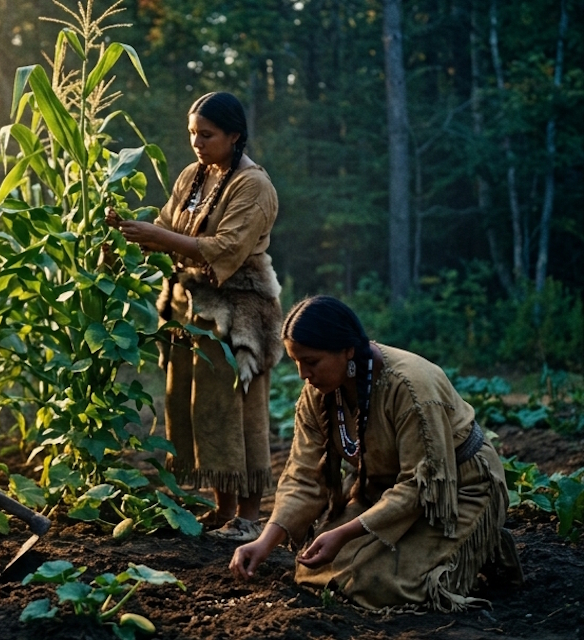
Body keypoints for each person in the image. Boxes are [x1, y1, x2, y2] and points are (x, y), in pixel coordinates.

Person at [230, 296, 523, 612]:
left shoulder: (411, 386)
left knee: (382, 586)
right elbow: (303, 476)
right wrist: (265, 542)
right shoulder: (319, 393)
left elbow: (419, 485)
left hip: (452, 491)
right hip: (380, 491)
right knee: (316, 572)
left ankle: (483, 541)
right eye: (296, 361)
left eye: (311, 362)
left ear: (347, 351)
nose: (303, 374)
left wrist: (343, 533)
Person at [107, 92, 283, 541]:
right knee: (201, 408)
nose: (197, 143)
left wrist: (157, 236)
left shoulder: (253, 186)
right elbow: (167, 227)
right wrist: (128, 231)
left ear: (234, 135)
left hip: (237, 311)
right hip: (191, 308)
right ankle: (223, 510)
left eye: (207, 135)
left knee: (239, 412)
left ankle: (249, 516)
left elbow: (227, 248)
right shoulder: (194, 176)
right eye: (192, 134)